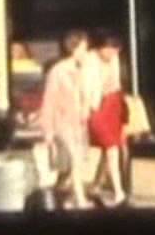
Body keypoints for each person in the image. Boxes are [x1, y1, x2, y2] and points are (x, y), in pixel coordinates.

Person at [36, 29, 91, 209]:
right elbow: (49, 101)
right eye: (83, 48)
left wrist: (86, 107)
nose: (85, 52)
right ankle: (79, 199)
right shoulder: (58, 72)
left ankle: (63, 195)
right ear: (73, 49)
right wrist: (48, 131)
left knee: (75, 163)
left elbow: (85, 95)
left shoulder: (80, 70)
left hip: (78, 123)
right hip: (63, 123)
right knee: (75, 160)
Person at [87, 30, 128, 207]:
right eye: (110, 50)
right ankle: (118, 191)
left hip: (112, 103)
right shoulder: (90, 60)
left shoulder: (114, 59)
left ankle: (97, 185)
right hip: (96, 107)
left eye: (116, 51)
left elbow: (115, 84)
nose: (113, 54)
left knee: (111, 148)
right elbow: (89, 88)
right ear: (101, 47)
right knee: (111, 147)